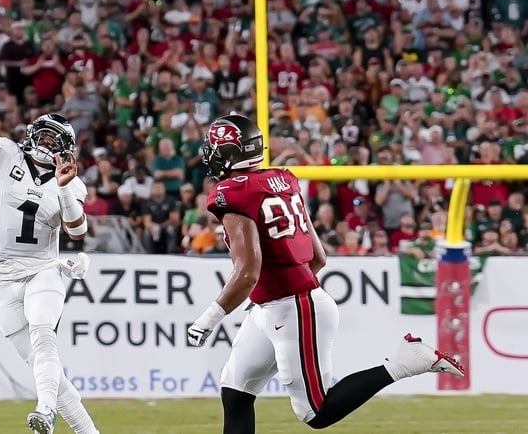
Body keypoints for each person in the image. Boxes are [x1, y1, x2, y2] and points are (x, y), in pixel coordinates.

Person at [187, 114, 464, 433]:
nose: (209, 152)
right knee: (235, 390)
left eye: (214, 147)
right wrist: (273, 293)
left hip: (292, 307)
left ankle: (405, 362)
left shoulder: (231, 194)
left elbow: (248, 272)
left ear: (229, 153)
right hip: (278, 304)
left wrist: (207, 320)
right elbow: (317, 258)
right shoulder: (282, 179)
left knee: (316, 412)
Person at [0, 29, 99, 434]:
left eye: (52, 139)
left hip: (42, 267)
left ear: (66, 150)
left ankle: (43, 414)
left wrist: (62, 190)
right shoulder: (3, 155)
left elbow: (77, 230)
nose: (43, 143)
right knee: (51, 373)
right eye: (41, 135)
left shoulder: (70, 180)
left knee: (45, 335)